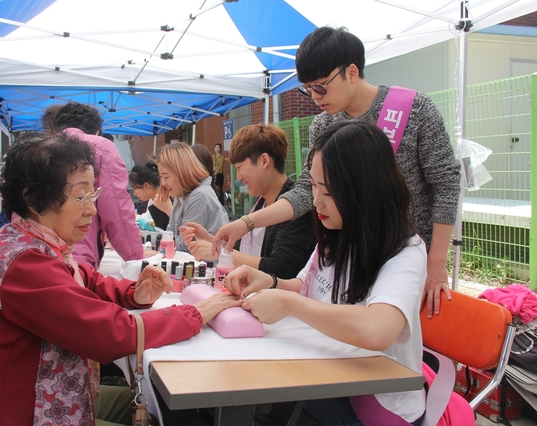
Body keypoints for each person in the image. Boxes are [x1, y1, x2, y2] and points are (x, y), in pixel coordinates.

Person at [0, 132, 239, 426]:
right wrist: (195, 314)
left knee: (164, 407)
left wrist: (134, 293)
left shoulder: (29, 241)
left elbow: (87, 280)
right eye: (81, 196)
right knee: (170, 411)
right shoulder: (24, 262)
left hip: (40, 393)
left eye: (93, 194)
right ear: (34, 199)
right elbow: (109, 334)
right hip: (14, 411)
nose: (92, 209)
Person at [213, 26, 461, 318]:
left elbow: (445, 185)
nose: (315, 97)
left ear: (352, 72)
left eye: (321, 86)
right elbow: (306, 192)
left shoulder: (414, 109)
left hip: (400, 257)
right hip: (348, 259)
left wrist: (436, 262)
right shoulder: (322, 126)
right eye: (308, 88)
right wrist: (247, 223)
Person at [224, 122, 426, 425]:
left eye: (328, 191)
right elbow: (306, 284)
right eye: (314, 187)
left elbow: (377, 329)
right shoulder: (336, 231)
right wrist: (271, 283)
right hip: (327, 375)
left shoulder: (405, 251)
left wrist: (288, 303)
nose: (316, 201)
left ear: (366, 188)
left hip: (377, 405)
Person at [181, 124, 315, 279]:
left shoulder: (296, 209)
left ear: (264, 161)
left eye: (239, 167)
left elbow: (282, 270)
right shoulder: (260, 203)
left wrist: (221, 253)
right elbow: (242, 251)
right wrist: (211, 240)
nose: (238, 177)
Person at [52, 102, 143, 266]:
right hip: (77, 257)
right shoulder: (100, 146)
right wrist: (135, 257)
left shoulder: (40, 149)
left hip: (39, 250)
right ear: (96, 132)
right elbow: (116, 209)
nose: (91, 208)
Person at [158, 142, 229, 252]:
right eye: (161, 176)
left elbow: (185, 244)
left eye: (166, 177)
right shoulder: (180, 195)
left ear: (182, 172)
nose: (162, 182)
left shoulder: (199, 195)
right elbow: (170, 235)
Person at [129, 161, 172, 230]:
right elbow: (148, 220)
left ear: (146, 185)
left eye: (135, 187)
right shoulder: (152, 201)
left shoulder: (169, 199)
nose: (134, 193)